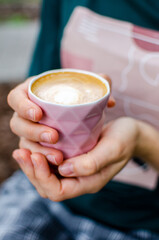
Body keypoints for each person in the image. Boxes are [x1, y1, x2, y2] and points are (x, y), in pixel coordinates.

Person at [1, 0, 159, 239]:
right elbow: (44, 79)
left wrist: (142, 141)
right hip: (46, 199)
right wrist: (29, 120)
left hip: (147, 222)